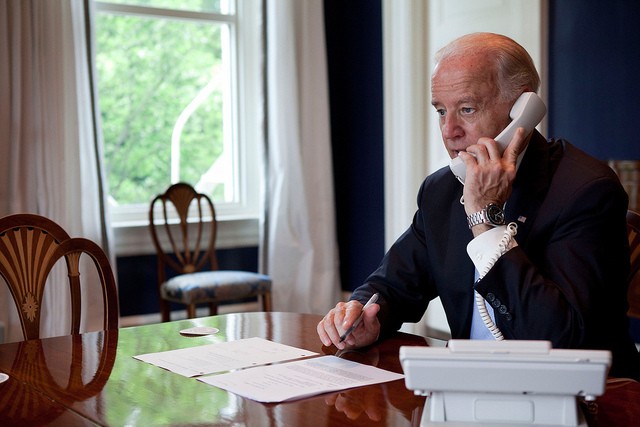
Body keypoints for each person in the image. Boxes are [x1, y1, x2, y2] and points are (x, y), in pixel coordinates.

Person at [317, 32, 640, 380]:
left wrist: (484, 220)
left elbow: (562, 338)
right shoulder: (441, 190)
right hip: (467, 390)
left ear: (522, 111)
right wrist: (363, 317)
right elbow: (393, 283)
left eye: (467, 109)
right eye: (441, 111)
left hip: (582, 398)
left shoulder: (586, 189)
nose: (449, 130)